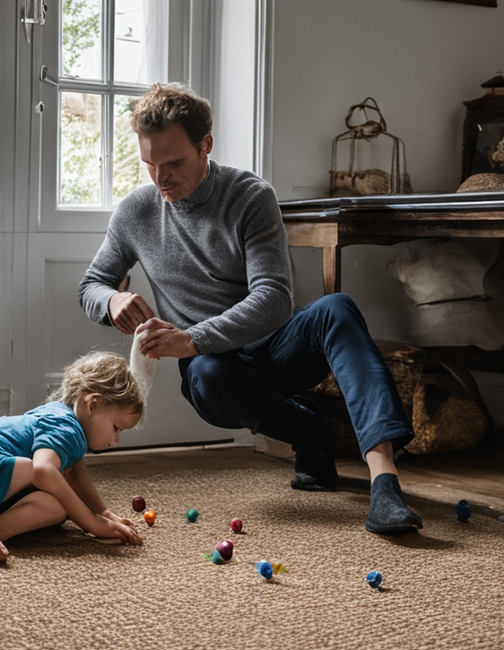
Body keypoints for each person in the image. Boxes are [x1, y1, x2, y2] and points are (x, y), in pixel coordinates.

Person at [78, 83, 423, 534]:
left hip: (278, 349)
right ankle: (310, 434)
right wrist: (113, 299)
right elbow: (92, 284)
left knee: (337, 308)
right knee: (206, 374)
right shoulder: (135, 212)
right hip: (217, 372)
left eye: (174, 163)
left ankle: (385, 485)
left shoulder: (249, 196)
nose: (161, 178)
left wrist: (192, 337)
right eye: (150, 165)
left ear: (206, 145)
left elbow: (274, 299)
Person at [0, 351, 146, 560]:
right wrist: (95, 524)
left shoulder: (59, 419)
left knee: (58, 507)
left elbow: (75, 474)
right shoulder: (67, 426)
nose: (116, 440)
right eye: (116, 427)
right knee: (50, 478)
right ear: (93, 404)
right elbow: (42, 470)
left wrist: (105, 514)